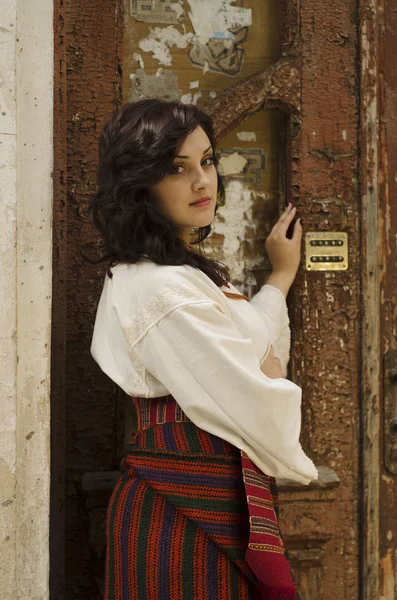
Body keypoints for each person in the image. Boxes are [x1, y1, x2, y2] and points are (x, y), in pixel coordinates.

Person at [88, 98, 318, 600]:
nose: (203, 182)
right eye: (177, 168)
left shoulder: (184, 274)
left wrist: (280, 274)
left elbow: (254, 350)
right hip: (178, 516)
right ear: (139, 183)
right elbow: (256, 391)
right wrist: (266, 371)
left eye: (207, 161)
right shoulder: (158, 289)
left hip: (206, 503)